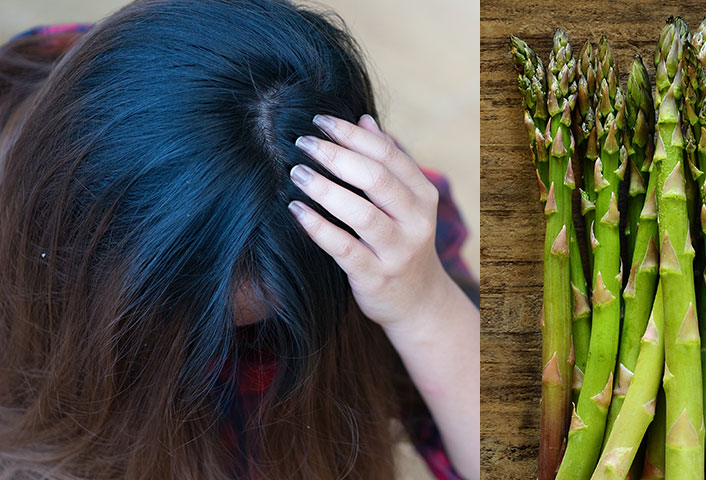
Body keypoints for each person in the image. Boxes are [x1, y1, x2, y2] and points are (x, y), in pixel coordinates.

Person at [0, 1, 479, 479]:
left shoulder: (385, 242)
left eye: (255, 325)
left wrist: (425, 306)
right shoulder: (44, 84)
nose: (227, 322)